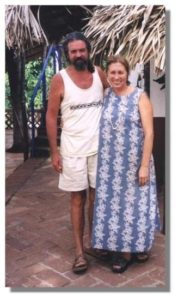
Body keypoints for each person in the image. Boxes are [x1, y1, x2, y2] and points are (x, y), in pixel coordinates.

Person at [91, 55, 161, 273]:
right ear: (107, 74)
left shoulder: (140, 96)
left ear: (127, 73)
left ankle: (127, 253)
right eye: (112, 73)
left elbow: (149, 133)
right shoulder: (106, 95)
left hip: (134, 163)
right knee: (113, 207)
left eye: (120, 72)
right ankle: (117, 245)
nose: (116, 77)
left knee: (133, 207)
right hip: (110, 166)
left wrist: (143, 166)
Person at [46, 32, 108, 274]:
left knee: (95, 197)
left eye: (82, 50)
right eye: (74, 51)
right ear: (67, 54)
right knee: (77, 199)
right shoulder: (60, 79)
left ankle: (95, 243)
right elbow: (51, 117)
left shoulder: (99, 73)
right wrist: (54, 151)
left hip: (98, 148)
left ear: (88, 51)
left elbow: (112, 98)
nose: (79, 54)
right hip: (72, 150)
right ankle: (79, 252)